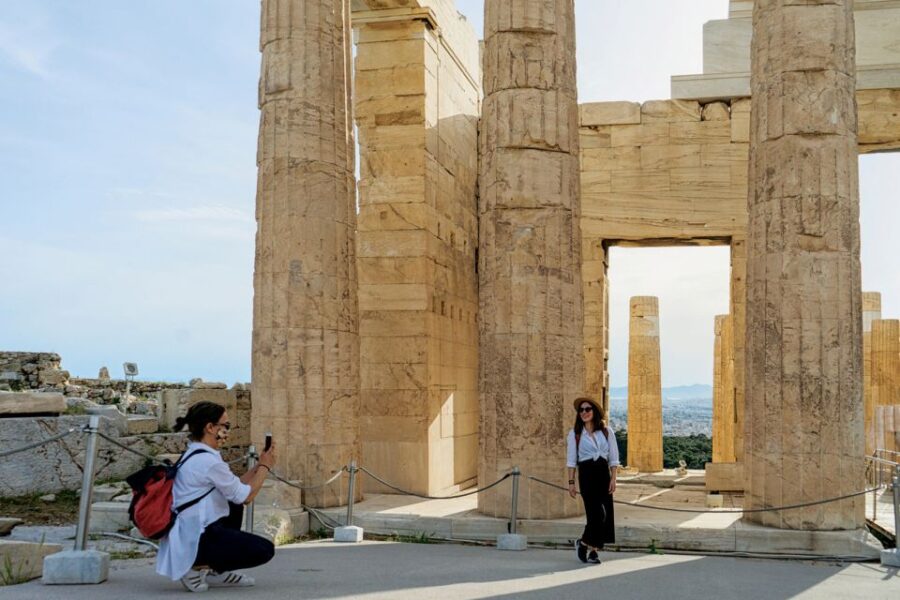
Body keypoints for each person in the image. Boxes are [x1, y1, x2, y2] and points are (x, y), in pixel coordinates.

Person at [156, 401, 276, 592]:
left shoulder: (196, 453)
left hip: (196, 526)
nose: (228, 430)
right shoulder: (208, 461)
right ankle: (195, 565)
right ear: (210, 427)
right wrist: (265, 467)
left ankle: (218, 571)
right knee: (264, 550)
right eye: (225, 426)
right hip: (197, 534)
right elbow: (246, 496)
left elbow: (235, 488)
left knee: (233, 504)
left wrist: (257, 466)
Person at [566, 396, 619, 564]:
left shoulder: (606, 431)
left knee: (605, 513)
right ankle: (582, 542)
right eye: (581, 410)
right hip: (587, 475)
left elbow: (613, 457)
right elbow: (571, 461)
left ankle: (593, 551)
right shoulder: (575, 434)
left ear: (594, 412)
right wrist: (571, 483)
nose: (584, 412)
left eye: (587, 409)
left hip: (603, 474)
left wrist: (614, 478)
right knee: (595, 513)